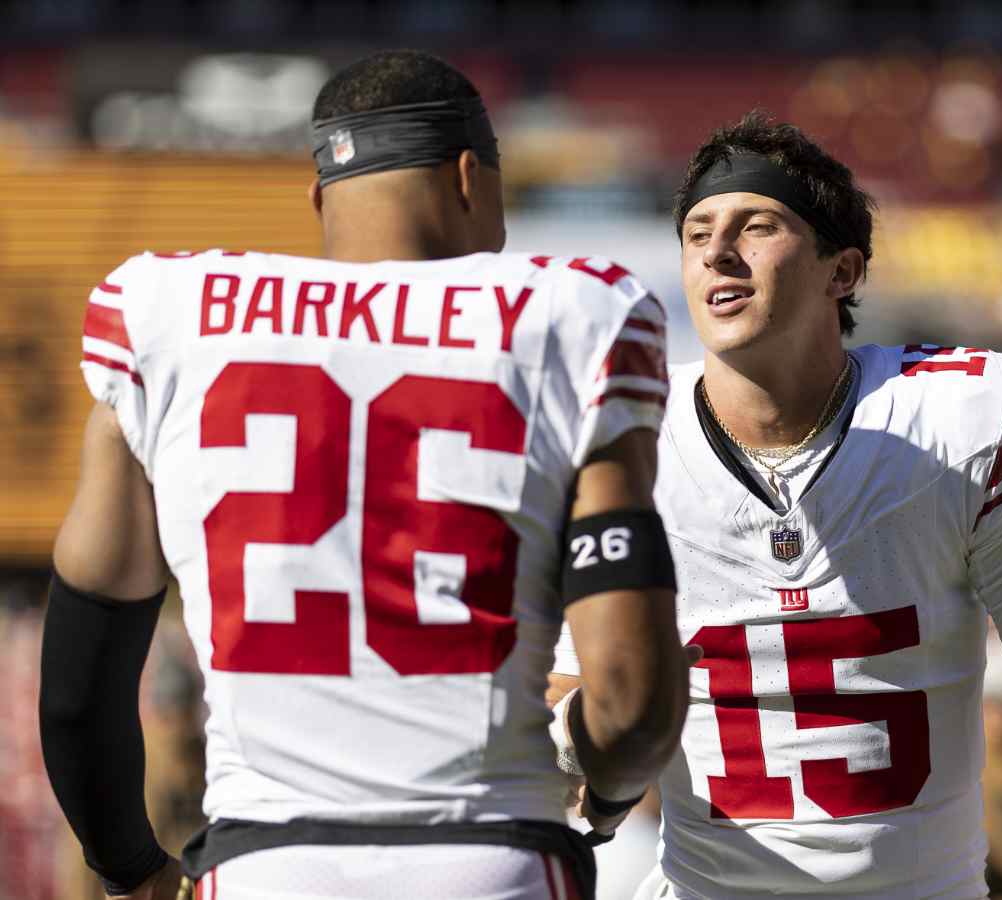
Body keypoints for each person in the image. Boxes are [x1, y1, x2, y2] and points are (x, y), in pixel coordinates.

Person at [39, 49, 690, 900]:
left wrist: (132, 867)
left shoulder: (171, 323)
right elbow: (632, 700)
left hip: (266, 865)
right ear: (470, 178)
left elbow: (79, 697)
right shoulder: (568, 318)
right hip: (492, 856)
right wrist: (600, 807)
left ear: (319, 199)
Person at [549, 112, 1002, 900]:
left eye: (756, 225)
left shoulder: (945, 432)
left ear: (843, 270)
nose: (719, 251)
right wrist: (594, 738)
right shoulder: (629, 436)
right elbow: (564, 715)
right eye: (698, 233)